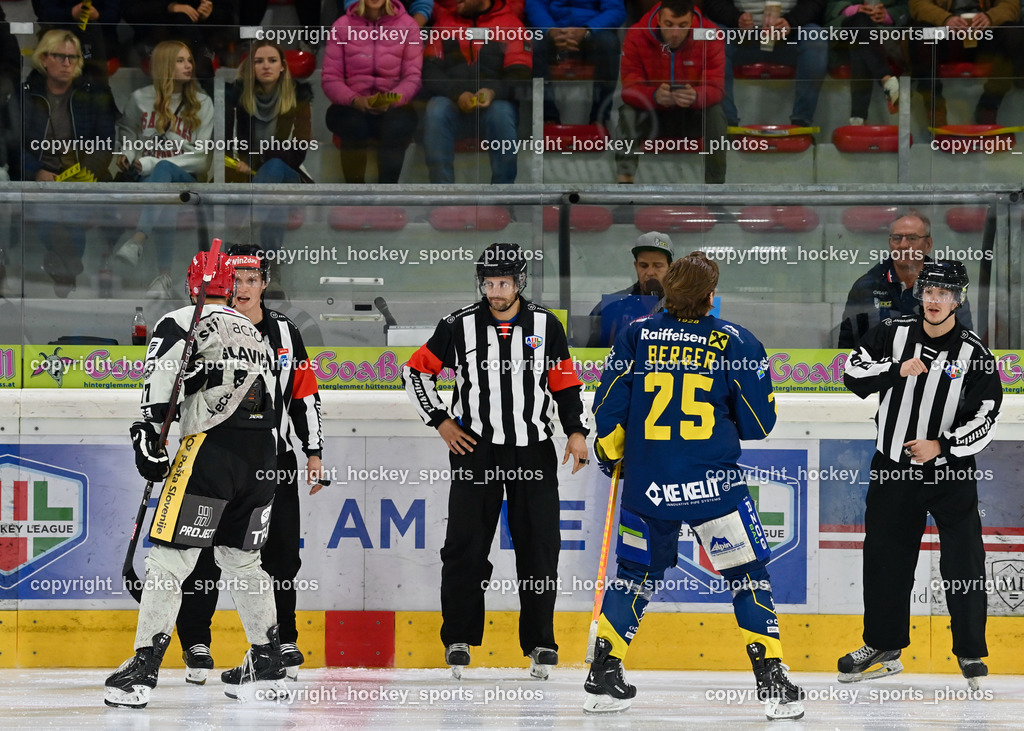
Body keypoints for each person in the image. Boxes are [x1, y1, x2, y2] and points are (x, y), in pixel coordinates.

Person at [586, 251, 804, 720]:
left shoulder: (636, 334)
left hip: (650, 483)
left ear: (668, 291)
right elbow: (759, 424)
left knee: (634, 577)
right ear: (710, 296)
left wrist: (610, 452)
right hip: (714, 483)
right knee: (747, 576)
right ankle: (771, 681)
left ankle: (603, 672)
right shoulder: (735, 340)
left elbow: (607, 412)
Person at [104, 250, 284, 708]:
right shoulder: (254, 332)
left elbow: (163, 376)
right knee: (243, 562)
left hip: (210, 452)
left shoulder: (181, 318)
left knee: (168, 561)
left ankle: (143, 670)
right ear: (230, 285)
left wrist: (148, 428)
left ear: (191, 283)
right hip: (263, 456)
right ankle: (266, 664)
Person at [402, 242, 590, 680]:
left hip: (533, 449)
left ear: (520, 281)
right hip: (476, 450)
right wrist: (441, 421)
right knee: (466, 547)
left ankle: (541, 642)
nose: (495, 291)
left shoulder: (547, 324)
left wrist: (576, 431)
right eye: (488, 282)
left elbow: (564, 382)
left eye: (503, 282)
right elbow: (415, 371)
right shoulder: (458, 325)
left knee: (539, 547)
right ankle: (459, 638)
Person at [839, 260, 1001, 691]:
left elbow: (986, 417)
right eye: (929, 291)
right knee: (884, 561)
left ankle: (969, 651)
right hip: (892, 471)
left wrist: (942, 445)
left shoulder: (974, 353)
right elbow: (852, 374)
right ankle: (882, 645)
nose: (934, 300)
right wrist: (896, 370)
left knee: (963, 562)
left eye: (945, 294)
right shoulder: (891, 333)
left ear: (958, 299)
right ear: (920, 294)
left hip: (950, 475)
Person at [173, 244, 325, 685]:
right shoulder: (199, 325)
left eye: (252, 280)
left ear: (264, 283)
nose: (243, 288)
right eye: (235, 279)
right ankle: (196, 642)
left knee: (278, 551)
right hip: (208, 457)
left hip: (271, 460)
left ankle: (282, 640)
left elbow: (304, 394)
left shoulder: (285, 332)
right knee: (199, 550)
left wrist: (314, 452)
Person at [112, 40, 215, 299]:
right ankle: (164, 276)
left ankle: (138, 241)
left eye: (189, 60)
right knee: (164, 194)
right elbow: (127, 137)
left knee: (165, 172)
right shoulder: (139, 99)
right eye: (180, 60)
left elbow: (202, 159)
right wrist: (127, 155)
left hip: (185, 179)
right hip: (148, 182)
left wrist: (152, 163)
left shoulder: (203, 102)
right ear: (164, 65)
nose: (188, 65)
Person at [22, 29, 117, 296]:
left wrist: (84, 173)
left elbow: (106, 142)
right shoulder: (25, 96)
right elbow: (10, 146)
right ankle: (71, 268)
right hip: (42, 178)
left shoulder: (92, 94)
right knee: (54, 214)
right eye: (60, 57)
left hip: (81, 177)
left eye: (72, 58)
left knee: (69, 211)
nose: (67, 63)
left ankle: (63, 268)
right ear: (43, 59)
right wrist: (35, 171)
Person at [615, 0, 727, 184]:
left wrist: (696, 96)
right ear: (658, 18)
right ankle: (624, 186)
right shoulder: (637, 34)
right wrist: (653, 96)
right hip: (652, 117)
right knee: (628, 112)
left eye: (683, 25)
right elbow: (629, 90)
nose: (675, 33)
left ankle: (715, 187)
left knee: (715, 113)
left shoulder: (710, 34)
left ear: (692, 21)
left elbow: (716, 88)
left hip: (691, 115)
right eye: (669, 24)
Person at [421, 0, 532, 184]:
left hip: (494, 105)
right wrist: (457, 94)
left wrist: (492, 92)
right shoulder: (443, 23)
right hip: (454, 105)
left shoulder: (511, 24)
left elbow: (520, 75)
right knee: (436, 109)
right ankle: (443, 197)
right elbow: (430, 72)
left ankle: (502, 198)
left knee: (502, 113)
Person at [837, 211, 974, 349]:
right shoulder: (866, 287)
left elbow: (965, 342)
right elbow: (848, 346)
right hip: (879, 369)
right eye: (897, 238)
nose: (903, 245)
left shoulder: (948, 287)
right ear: (890, 242)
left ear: (927, 244)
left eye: (912, 238)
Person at [322, 0, 422, 184]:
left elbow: (413, 77)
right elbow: (330, 78)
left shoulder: (409, 26)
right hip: (352, 104)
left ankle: (387, 195)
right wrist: (355, 100)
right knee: (352, 124)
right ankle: (354, 195)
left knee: (397, 125)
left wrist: (390, 100)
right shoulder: (342, 26)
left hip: (393, 104)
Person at [226, 41, 313, 248]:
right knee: (276, 198)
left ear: (282, 66)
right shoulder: (236, 98)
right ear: (251, 67)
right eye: (259, 61)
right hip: (247, 175)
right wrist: (237, 165)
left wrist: (260, 159)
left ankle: (248, 228)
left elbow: (297, 155)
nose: (266, 66)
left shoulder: (299, 98)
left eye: (272, 61)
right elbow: (225, 146)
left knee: (274, 167)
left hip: (289, 173)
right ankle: (272, 268)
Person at [701, 0, 828, 127]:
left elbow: (816, 3)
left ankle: (802, 121)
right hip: (740, 34)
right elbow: (713, 3)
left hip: (790, 34)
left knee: (815, 38)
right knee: (714, 37)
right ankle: (726, 123)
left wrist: (792, 22)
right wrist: (736, 18)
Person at [908, 0, 1023, 126]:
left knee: (1013, 33)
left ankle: (988, 106)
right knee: (920, 33)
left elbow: (1011, 5)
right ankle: (935, 109)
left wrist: (990, 18)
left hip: (985, 33)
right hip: (946, 35)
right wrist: (946, 19)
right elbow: (918, 4)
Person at [525, 0, 625, 128]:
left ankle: (599, 119)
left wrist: (587, 29)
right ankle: (548, 117)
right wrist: (550, 29)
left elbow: (615, 10)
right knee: (534, 44)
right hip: (553, 29)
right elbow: (535, 5)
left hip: (592, 31)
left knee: (609, 43)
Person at [825, 0, 906, 125]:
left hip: (884, 32)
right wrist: (852, 10)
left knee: (860, 36)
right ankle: (886, 78)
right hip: (843, 28)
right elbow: (829, 5)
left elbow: (908, 7)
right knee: (860, 21)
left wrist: (888, 15)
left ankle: (858, 118)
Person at [588, 231, 674, 346]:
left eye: (657, 266)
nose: (650, 272)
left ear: (671, 267)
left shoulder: (684, 307)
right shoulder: (613, 307)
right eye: (643, 266)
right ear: (636, 266)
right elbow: (589, 356)